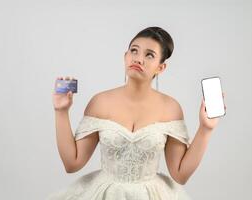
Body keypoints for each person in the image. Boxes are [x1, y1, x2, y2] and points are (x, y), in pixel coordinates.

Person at [48, 26, 226, 200]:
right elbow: (72, 163)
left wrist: (205, 129)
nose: (139, 59)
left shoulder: (171, 108)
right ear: (125, 57)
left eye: (149, 55)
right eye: (134, 51)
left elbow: (180, 175)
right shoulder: (100, 102)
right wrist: (61, 111)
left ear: (161, 67)